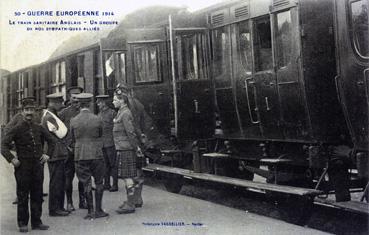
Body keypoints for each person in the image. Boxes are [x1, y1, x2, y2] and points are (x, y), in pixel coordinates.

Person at [1, 97, 54, 232]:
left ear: (35, 111)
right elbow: (3, 145)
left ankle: (37, 222)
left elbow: (51, 141)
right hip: (22, 167)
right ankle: (23, 223)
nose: (29, 112)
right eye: (26, 110)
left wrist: (47, 154)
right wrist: (12, 159)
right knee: (23, 195)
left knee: (37, 194)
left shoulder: (39, 127)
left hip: (37, 166)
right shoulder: (16, 128)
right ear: (22, 112)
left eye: (31, 110)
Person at [70, 93, 109, 219]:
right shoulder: (98, 119)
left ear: (79, 105)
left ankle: (90, 211)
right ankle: (99, 210)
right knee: (99, 182)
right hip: (96, 154)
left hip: (80, 154)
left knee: (86, 183)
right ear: (90, 104)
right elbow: (101, 134)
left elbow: (72, 139)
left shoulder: (74, 120)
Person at [112, 91, 142, 214]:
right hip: (122, 148)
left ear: (122, 101)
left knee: (127, 176)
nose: (113, 102)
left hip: (126, 149)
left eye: (115, 99)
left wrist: (136, 148)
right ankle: (131, 201)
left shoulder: (125, 114)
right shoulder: (121, 112)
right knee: (127, 176)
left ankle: (130, 204)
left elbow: (130, 133)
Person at [41, 93, 70, 216]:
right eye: (60, 103)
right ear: (53, 103)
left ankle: (59, 207)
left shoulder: (50, 115)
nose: (62, 105)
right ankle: (55, 209)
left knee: (60, 180)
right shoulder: (50, 117)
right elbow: (61, 134)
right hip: (55, 152)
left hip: (56, 152)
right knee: (56, 181)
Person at [59, 86, 87, 211]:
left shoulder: (85, 112)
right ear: (69, 98)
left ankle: (82, 201)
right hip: (69, 150)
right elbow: (57, 132)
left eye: (78, 96)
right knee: (68, 177)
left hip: (81, 149)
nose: (75, 99)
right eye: (73, 96)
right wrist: (65, 145)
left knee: (83, 177)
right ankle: (69, 202)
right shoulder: (63, 113)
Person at [96, 95, 118, 192]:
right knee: (105, 164)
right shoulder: (99, 114)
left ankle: (115, 184)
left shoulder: (112, 113)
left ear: (104, 103)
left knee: (113, 164)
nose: (98, 104)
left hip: (111, 142)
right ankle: (107, 183)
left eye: (99, 102)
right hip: (102, 143)